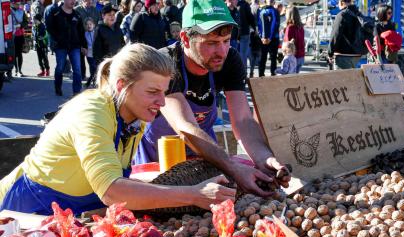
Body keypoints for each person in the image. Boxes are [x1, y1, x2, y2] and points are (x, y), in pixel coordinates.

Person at [0, 44, 235, 215]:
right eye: (153, 92)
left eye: (164, 92)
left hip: (73, 215)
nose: (162, 102)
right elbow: (111, 190)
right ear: (122, 85)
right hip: (27, 210)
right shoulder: (91, 111)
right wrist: (193, 194)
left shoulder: (137, 117)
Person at [134, 0, 290, 197]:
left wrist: (264, 158)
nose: (222, 52)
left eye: (226, 41)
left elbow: (242, 120)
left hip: (206, 159)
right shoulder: (165, 63)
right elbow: (186, 128)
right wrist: (233, 168)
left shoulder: (230, 60)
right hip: (159, 161)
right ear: (185, 38)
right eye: (211, 43)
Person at [45, 0, 86, 96]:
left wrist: (84, 45)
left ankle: (76, 91)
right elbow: (49, 28)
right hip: (61, 46)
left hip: (75, 46)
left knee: (77, 69)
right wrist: (57, 39)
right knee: (60, 68)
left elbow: (81, 31)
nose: (73, 1)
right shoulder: (55, 12)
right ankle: (58, 87)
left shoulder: (77, 14)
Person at [328, 0, 362, 70]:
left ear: (341, 2)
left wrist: (330, 53)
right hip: (357, 54)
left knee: (340, 79)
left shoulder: (342, 14)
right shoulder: (359, 14)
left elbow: (335, 35)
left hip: (343, 54)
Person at [257, 0, 279, 76]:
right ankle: (268, 75)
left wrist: (263, 37)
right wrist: (264, 37)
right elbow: (258, 24)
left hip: (268, 38)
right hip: (270, 38)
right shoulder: (261, 10)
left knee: (267, 58)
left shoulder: (262, 10)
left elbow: (275, 24)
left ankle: (264, 75)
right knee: (268, 58)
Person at [284, 5, 304, 73]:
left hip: (293, 57)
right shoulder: (301, 27)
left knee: (289, 79)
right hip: (301, 56)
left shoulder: (290, 28)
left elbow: (287, 45)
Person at [11, 1, 28, 77]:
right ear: (12, 3)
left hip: (19, 35)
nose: (18, 5)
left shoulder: (21, 11)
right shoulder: (7, 10)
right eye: (16, 4)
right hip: (10, 36)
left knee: (19, 53)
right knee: (13, 54)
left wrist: (20, 25)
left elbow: (26, 22)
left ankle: (19, 70)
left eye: (19, 4)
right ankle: (14, 70)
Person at [236, 0, 255, 68]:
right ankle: (243, 74)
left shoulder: (231, 4)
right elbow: (250, 18)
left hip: (234, 33)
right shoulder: (245, 4)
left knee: (236, 54)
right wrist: (255, 28)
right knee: (243, 54)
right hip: (244, 32)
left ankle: (238, 73)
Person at [84, 17, 96, 87]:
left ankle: (91, 82)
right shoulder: (85, 34)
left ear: (93, 25)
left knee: (94, 68)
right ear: (85, 26)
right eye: (87, 24)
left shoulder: (96, 33)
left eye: (90, 24)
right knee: (92, 67)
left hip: (96, 53)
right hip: (89, 54)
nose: (89, 26)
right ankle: (91, 82)